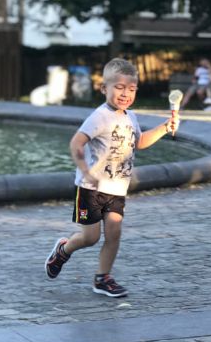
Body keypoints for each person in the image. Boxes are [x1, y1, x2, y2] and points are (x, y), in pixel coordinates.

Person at [44, 58, 179, 298]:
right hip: (90, 189)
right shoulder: (99, 117)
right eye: (119, 87)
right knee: (90, 237)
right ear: (104, 88)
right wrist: (85, 170)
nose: (125, 93)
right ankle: (63, 250)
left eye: (131, 89)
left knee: (114, 232)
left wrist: (164, 128)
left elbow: (139, 142)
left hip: (117, 188)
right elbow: (76, 143)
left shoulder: (130, 117)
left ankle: (102, 278)